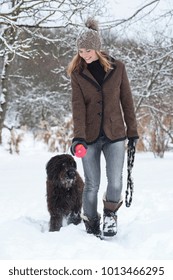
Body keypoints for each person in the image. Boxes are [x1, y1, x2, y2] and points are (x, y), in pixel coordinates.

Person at [67, 18, 139, 238]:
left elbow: (127, 101)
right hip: (88, 137)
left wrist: (132, 131)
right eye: (81, 51)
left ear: (97, 48)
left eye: (88, 50)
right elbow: (77, 108)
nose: (85, 55)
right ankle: (91, 222)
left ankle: (110, 216)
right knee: (91, 184)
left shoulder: (118, 68)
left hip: (115, 134)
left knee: (115, 181)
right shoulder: (78, 74)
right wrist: (77, 137)